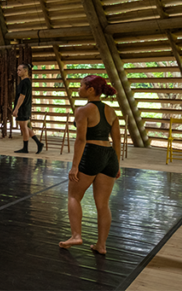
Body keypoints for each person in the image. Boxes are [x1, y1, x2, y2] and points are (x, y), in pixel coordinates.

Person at [59, 75, 122, 255]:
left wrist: (74, 166)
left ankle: (76, 235)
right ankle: (101, 245)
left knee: (73, 196)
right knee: (103, 204)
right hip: (109, 156)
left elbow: (81, 140)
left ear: (91, 89)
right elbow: (117, 140)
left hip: (92, 153)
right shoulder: (111, 111)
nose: (78, 89)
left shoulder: (83, 110)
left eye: (81, 86)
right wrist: (116, 164)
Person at [13, 62, 43, 154]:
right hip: (24, 107)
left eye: (20, 70)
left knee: (24, 127)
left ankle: (26, 148)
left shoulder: (25, 82)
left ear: (25, 71)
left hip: (23, 107)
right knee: (24, 126)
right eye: (17, 70)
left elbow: (22, 96)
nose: (18, 72)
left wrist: (16, 108)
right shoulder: (26, 81)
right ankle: (38, 143)